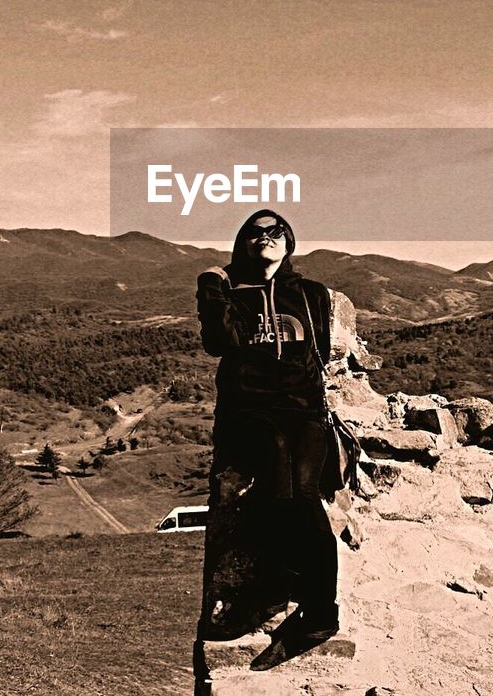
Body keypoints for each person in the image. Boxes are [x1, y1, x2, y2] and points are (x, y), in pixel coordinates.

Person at [195, 209, 338, 673]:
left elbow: (321, 357)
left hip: (304, 410)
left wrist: (313, 410)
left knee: (304, 490)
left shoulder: (311, 293)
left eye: (275, 232)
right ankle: (279, 586)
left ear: (289, 240)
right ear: (243, 243)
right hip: (248, 411)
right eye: (255, 233)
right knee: (277, 465)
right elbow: (217, 343)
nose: (266, 238)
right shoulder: (229, 290)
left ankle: (319, 613)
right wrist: (212, 286)